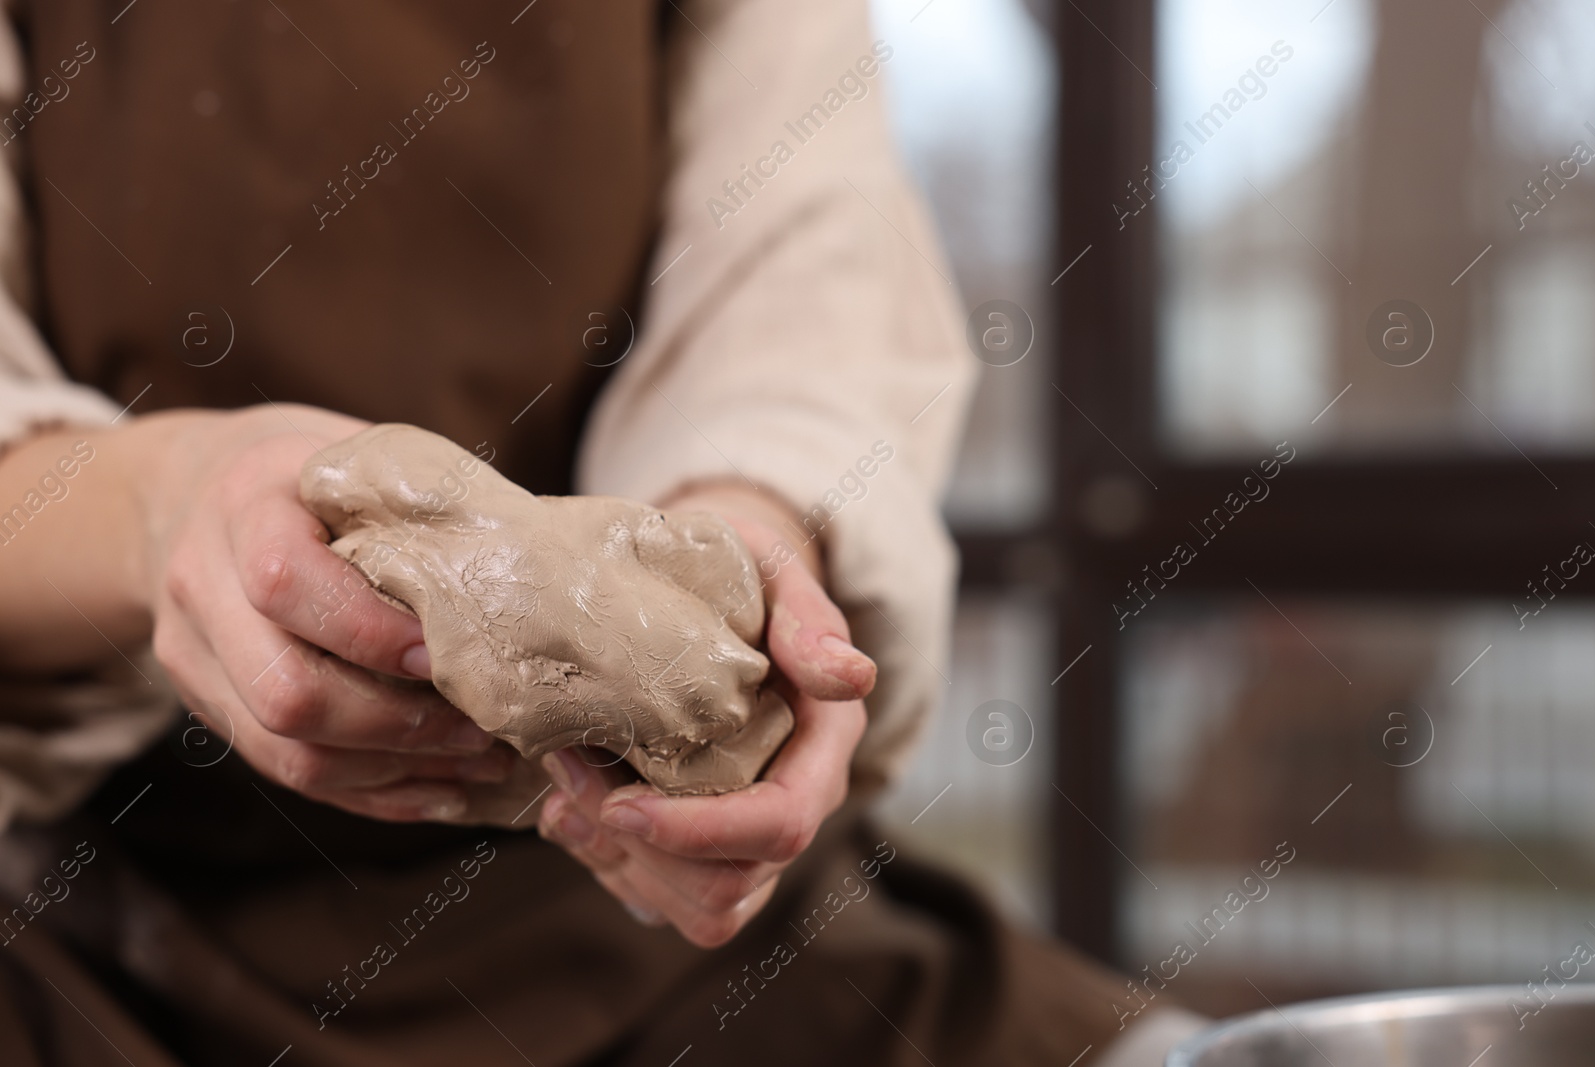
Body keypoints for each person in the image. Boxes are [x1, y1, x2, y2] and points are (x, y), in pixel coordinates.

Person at [0, 0, 1204, 1062]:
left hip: (689, 944)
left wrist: (745, 542)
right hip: (90, 930)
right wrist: (168, 503)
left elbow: (796, 277)